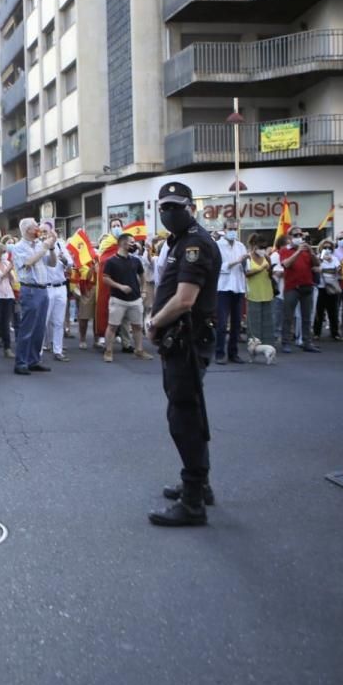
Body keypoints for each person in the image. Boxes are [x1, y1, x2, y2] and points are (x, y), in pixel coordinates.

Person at [144, 182, 222, 527]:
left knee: (184, 417)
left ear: (190, 207)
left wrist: (154, 321)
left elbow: (185, 299)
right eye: (164, 208)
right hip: (180, 339)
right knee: (188, 411)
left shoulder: (194, 244)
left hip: (187, 339)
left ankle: (193, 502)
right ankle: (198, 484)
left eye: (175, 207)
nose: (169, 213)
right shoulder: (182, 241)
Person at [10, 218, 56, 375]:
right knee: (27, 327)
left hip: (43, 289)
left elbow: (52, 263)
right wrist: (44, 247)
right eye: (36, 226)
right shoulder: (18, 247)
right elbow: (28, 262)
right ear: (28, 230)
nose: (39, 229)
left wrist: (51, 248)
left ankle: (34, 360)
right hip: (30, 289)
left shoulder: (38, 245)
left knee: (39, 328)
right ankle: (21, 362)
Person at [102, 232, 152, 362]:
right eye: (131, 242)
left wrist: (144, 291)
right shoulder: (111, 261)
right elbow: (105, 278)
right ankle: (108, 351)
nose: (134, 244)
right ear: (123, 243)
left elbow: (142, 276)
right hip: (117, 299)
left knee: (137, 326)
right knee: (112, 326)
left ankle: (139, 350)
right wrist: (120, 286)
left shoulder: (135, 260)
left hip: (135, 299)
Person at [279, 227, 322, 353]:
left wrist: (311, 252)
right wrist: (298, 251)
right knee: (288, 316)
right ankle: (285, 342)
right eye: (295, 235)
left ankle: (307, 342)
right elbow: (286, 264)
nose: (299, 237)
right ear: (290, 237)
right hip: (292, 287)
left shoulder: (307, 251)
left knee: (306, 317)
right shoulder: (285, 250)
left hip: (306, 286)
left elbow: (317, 264)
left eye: (300, 234)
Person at [37, 220, 72, 362]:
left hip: (61, 286)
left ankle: (58, 350)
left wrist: (63, 259)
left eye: (46, 231)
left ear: (53, 232)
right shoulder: (39, 245)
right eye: (42, 231)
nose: (44, 234)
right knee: (43, 321)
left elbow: (70, 264)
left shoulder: (60, 244)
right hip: (46, 287)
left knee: (58, 321)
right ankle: (37, 351)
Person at [214, 219, 248, 364]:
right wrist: (236, 261)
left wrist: (245, 262)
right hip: (223, 288)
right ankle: (219, 353)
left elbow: (247, 268)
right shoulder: (217, 246)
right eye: (230, 228)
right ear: (224, 229)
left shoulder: (241, 246)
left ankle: (233, 353)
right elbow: (216, 266)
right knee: (221, 323)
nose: (233, 231)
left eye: (235, 228)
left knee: (236, 323)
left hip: (238, 287)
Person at [244, 235, 276, 345]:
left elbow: (270, 275)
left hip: (266, 291)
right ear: (253, 246)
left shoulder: (267, 258)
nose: (262, 249)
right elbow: (246, 273)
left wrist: (271, 270)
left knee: (267, 318)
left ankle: (267, 343)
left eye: (264, 247)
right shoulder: (248, 257)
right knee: (254, 320)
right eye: (260, 247)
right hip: (253, 292)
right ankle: (254, 342)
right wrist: (261, 269)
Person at [313, 239, 342, 342]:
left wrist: (325, 269)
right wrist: (323, 264)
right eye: (325, 247)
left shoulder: (334, 258)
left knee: (333, 311)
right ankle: (316, 333)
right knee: (319, 312)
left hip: (332, 287)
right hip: (321, 287)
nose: (327, 249)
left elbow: (338, 270)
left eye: (329, 248)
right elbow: (315, 269)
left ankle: (335, 332)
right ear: (321, 248)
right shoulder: (317, 258)